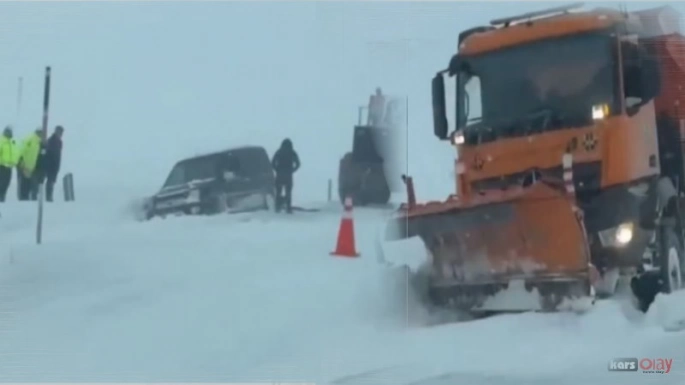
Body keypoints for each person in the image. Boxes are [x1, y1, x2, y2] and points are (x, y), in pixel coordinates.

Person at [271, 138, 300, 213]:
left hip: (279, 175)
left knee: (278, 192)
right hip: (288, 176)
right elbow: (298, 164)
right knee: (288, 192)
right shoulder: (292, 152)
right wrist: (293, 170)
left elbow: (273, 163)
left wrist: (277, 170)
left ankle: (278, 207)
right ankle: (288, 208)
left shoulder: (279, 152)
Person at [17, 128, 45, 201]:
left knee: (31, 185)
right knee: (25, 184)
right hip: (26, 166)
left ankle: (28, 199)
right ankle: (23, 199)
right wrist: (21, 161)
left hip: (33, 167)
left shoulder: (40, 142)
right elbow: (22, 149)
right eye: (40, 133)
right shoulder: (31, 139)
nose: (41, 134)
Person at [43, 125, 64, 202]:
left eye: (61, 132)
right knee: (50, 180)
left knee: (52, 181)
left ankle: (50, 196)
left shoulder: (59, 142)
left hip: (55, 164)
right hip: (50, 164)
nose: (61, 134)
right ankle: (48, 197)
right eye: (59, 132)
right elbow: (49, 153)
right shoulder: (51, 140)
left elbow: (58, 154)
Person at [0, 126, 19, 202]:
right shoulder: (1, 140)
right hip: (1, 166)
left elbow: (17, 153)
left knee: (6, 183)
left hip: (9, 167)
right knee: (1, 183)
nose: (9, 133)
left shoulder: (13, 142)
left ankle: (2, 197)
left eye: (10, 132)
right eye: (7, 132)